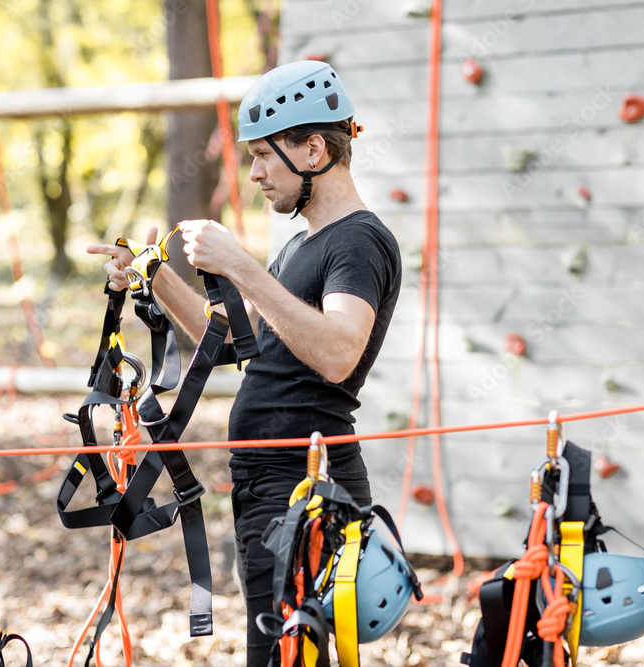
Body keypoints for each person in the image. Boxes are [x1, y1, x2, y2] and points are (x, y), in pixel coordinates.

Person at [87, 60, 402, 666]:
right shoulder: (305, 242)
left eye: (264, 154)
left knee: (277, 657)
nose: (254, 173)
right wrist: (155, 274)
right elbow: (240, 343)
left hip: (306, 482)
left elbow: (338, 352)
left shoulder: (359, 241)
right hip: (270, 481)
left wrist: (240, 267)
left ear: (313, 149)